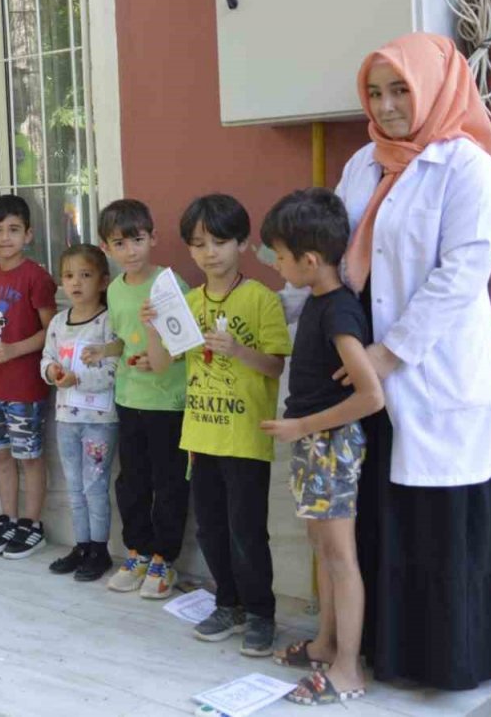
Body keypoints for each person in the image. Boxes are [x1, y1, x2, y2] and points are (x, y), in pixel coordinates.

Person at [337, 32, 491, 690]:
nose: (386, 107)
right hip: (366, 373)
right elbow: (337, 252)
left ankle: (451, 664)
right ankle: (389, 654)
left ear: (436, 87)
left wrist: (392, 352)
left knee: (439, 526)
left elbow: (462, 273)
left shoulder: (469, 166)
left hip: (432, 373)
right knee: (385, 514)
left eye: (401, 90)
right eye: (376, 92)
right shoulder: (363, 164)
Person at [143, 194, 290, 658]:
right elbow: (164, 364)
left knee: (246, 530)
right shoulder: (185, 302)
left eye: (221, 242)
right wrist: (153, 325)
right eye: (199, 244)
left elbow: (274, 367)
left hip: (246, 437)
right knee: (209, 528)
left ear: (243, 243)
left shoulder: (262, 299)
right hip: (200, 435)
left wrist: (238, 351)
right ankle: (228, 603)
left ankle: (261, 613)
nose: (210, 253)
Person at [259, 188, 385, 705]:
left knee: (340, 556)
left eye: (282, 258)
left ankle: (348, 668)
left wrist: (303, 425)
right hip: (314, 443)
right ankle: (326, 643)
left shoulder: (339, 312)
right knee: (322, 550)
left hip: (328, 443)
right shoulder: (316, 301)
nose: (278, 266)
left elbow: (370, 396)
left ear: (310, 260)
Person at [95, 199, 190, 599]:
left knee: (168, 483)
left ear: (153, 238)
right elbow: (123, 338)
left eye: (137, 239)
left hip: (168, 403)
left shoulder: (171, 284)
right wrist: (105, 352)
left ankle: (163, 560)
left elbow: (187, 345)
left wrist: (160, 360)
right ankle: (137, 551)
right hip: (128, 398)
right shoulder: (114, 291)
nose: (130, 250)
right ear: (106, 248)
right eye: (120, 243)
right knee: (131, 482)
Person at [0, 195, 57, 560]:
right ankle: (7, 519)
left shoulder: (37, 277)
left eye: (13, 230)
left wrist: (15, 350)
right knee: (1, 457)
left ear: (28, 234)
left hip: (24, 385)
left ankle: (31, 524)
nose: (4, 238)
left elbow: (51, 332)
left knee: (29, 457)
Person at [41, 244, 118, 581]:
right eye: (69, 276)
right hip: (66, 419)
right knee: (73, 485)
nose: (76, 283)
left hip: (99, 421)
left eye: (85, 276)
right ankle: (81, 544)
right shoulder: (59, 322)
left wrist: (80, 378)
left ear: (103, 281)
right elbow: (46, 358)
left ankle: (100, 549)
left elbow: (113, 371)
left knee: (95, 485)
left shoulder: (108, 322)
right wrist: (53, 373)